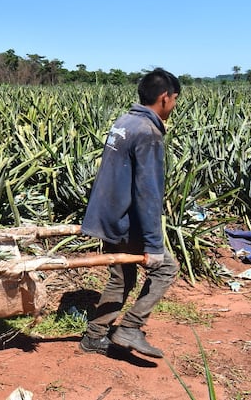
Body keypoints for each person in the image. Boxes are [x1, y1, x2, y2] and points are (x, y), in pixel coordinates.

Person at [78, 68, 181, 359]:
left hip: (108, 213)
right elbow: (148, 193)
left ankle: (94, 338)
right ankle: (131, 327)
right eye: (174, 99)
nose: (173, 105)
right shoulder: (148, 132)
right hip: (125, 219)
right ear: (164, 98)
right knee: (166, 269)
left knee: (121, 279)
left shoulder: (125, 121)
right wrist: (153, 244)